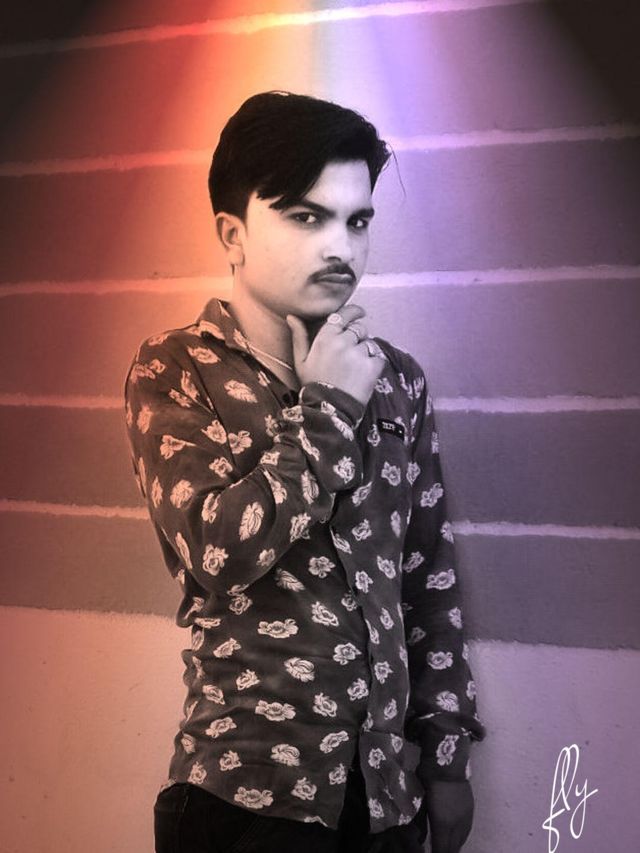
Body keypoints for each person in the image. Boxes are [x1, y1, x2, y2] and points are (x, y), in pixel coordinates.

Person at [123, 90, 486, 853]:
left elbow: (426, 579)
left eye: (357, 221)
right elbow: (217, 550)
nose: (339, 246)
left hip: (383, 798)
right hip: (244, 796)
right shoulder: (176, 368)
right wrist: (326, 408)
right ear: (233, 233)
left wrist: (448, 756)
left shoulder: (398, 381)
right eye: (306, 216)